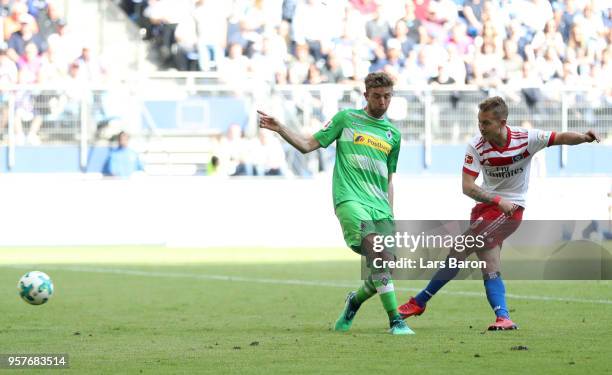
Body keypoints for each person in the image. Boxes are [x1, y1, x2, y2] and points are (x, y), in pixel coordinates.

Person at [398, 96, 600, 331]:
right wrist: (496, 200)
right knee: (490, 265)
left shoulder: (526, 138)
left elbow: (560, 138)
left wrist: (584, 138)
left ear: (502, 122)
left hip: (511, 210)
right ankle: (504, 317)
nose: (481, 128)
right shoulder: (476, 146)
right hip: (487, 209)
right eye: (479, 122)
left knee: (461, 247)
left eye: (486, 123)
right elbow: (467, 186)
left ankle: (420, 301)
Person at [257, 72, 413, 335]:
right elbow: (307, 145)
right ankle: (396, 320)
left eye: (387, 96)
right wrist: (281, 127)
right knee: (377, 252)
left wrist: (391, 214)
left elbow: (389, 179)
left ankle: (354, 301)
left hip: (380, 208)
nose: (383, 102)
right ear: (366, 95)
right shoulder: (346, 119)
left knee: (383, 268)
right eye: (377, 96)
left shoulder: (393, 135)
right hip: (349, 199)